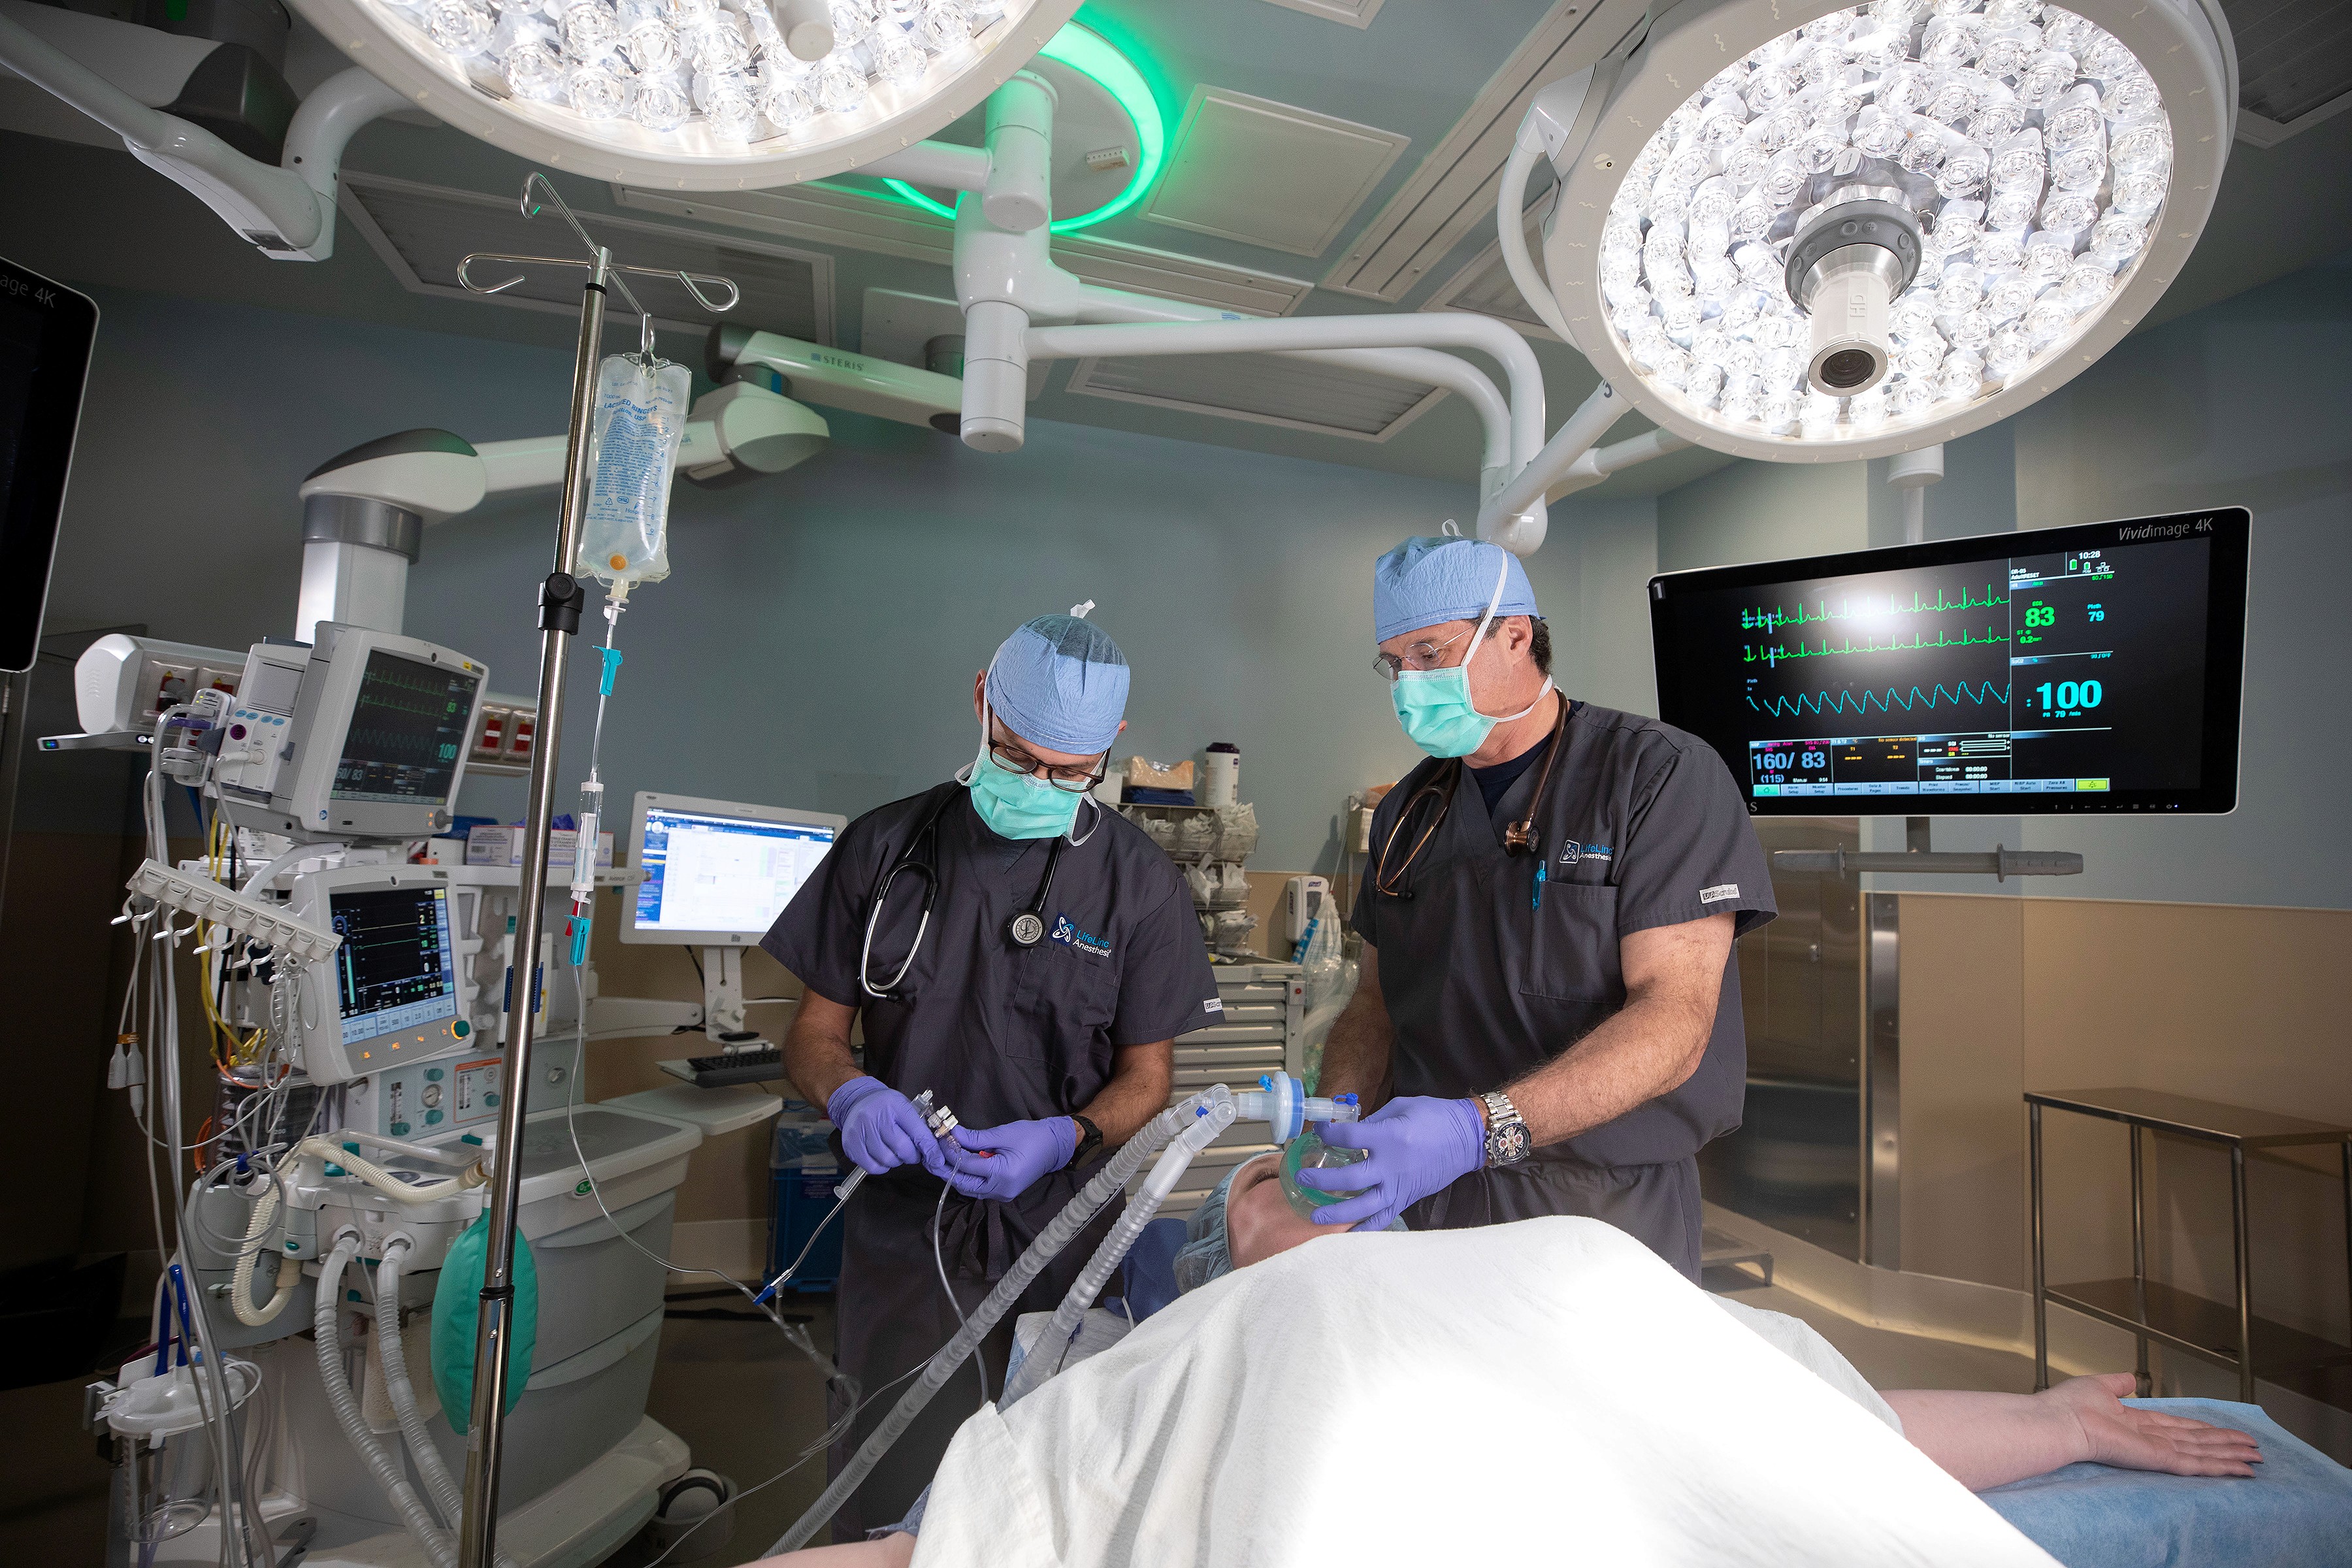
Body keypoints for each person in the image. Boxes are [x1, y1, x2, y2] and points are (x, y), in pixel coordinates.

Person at [747, 1159, 2261, 1567]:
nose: (1313, 1193)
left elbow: (1797, 1433)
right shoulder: (1203, 1340)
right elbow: (944, 1543)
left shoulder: (1556, 1272)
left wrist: (2053, 1423)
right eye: (1271, 1187)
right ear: (1222, 1253)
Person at [760, 606, 1220, 1535]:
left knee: (1043, 1494)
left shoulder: (1139, 885)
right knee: (888, 1479)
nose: (1042, 785)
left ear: (1109, 749)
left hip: (1065, 1236)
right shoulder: (883, 849)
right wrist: (848, 1094)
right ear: (982, 703)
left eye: (1070, 772)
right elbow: (813, 1032)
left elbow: (1148, 1080)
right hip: (905, 1235)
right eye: (1018, 759)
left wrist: (1068, 1136)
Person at [1305, 531, 1778, 1277]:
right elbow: (1376, 1003)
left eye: (1429, 654)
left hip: (1603, 1209)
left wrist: (1478, 1129)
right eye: (1394, 665)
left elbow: (1675, 1018)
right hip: (1432, 1204)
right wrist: (1335, 1129)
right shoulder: (1408, 810)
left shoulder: (1657, 777)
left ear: (1516, 636)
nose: (1407, 684)